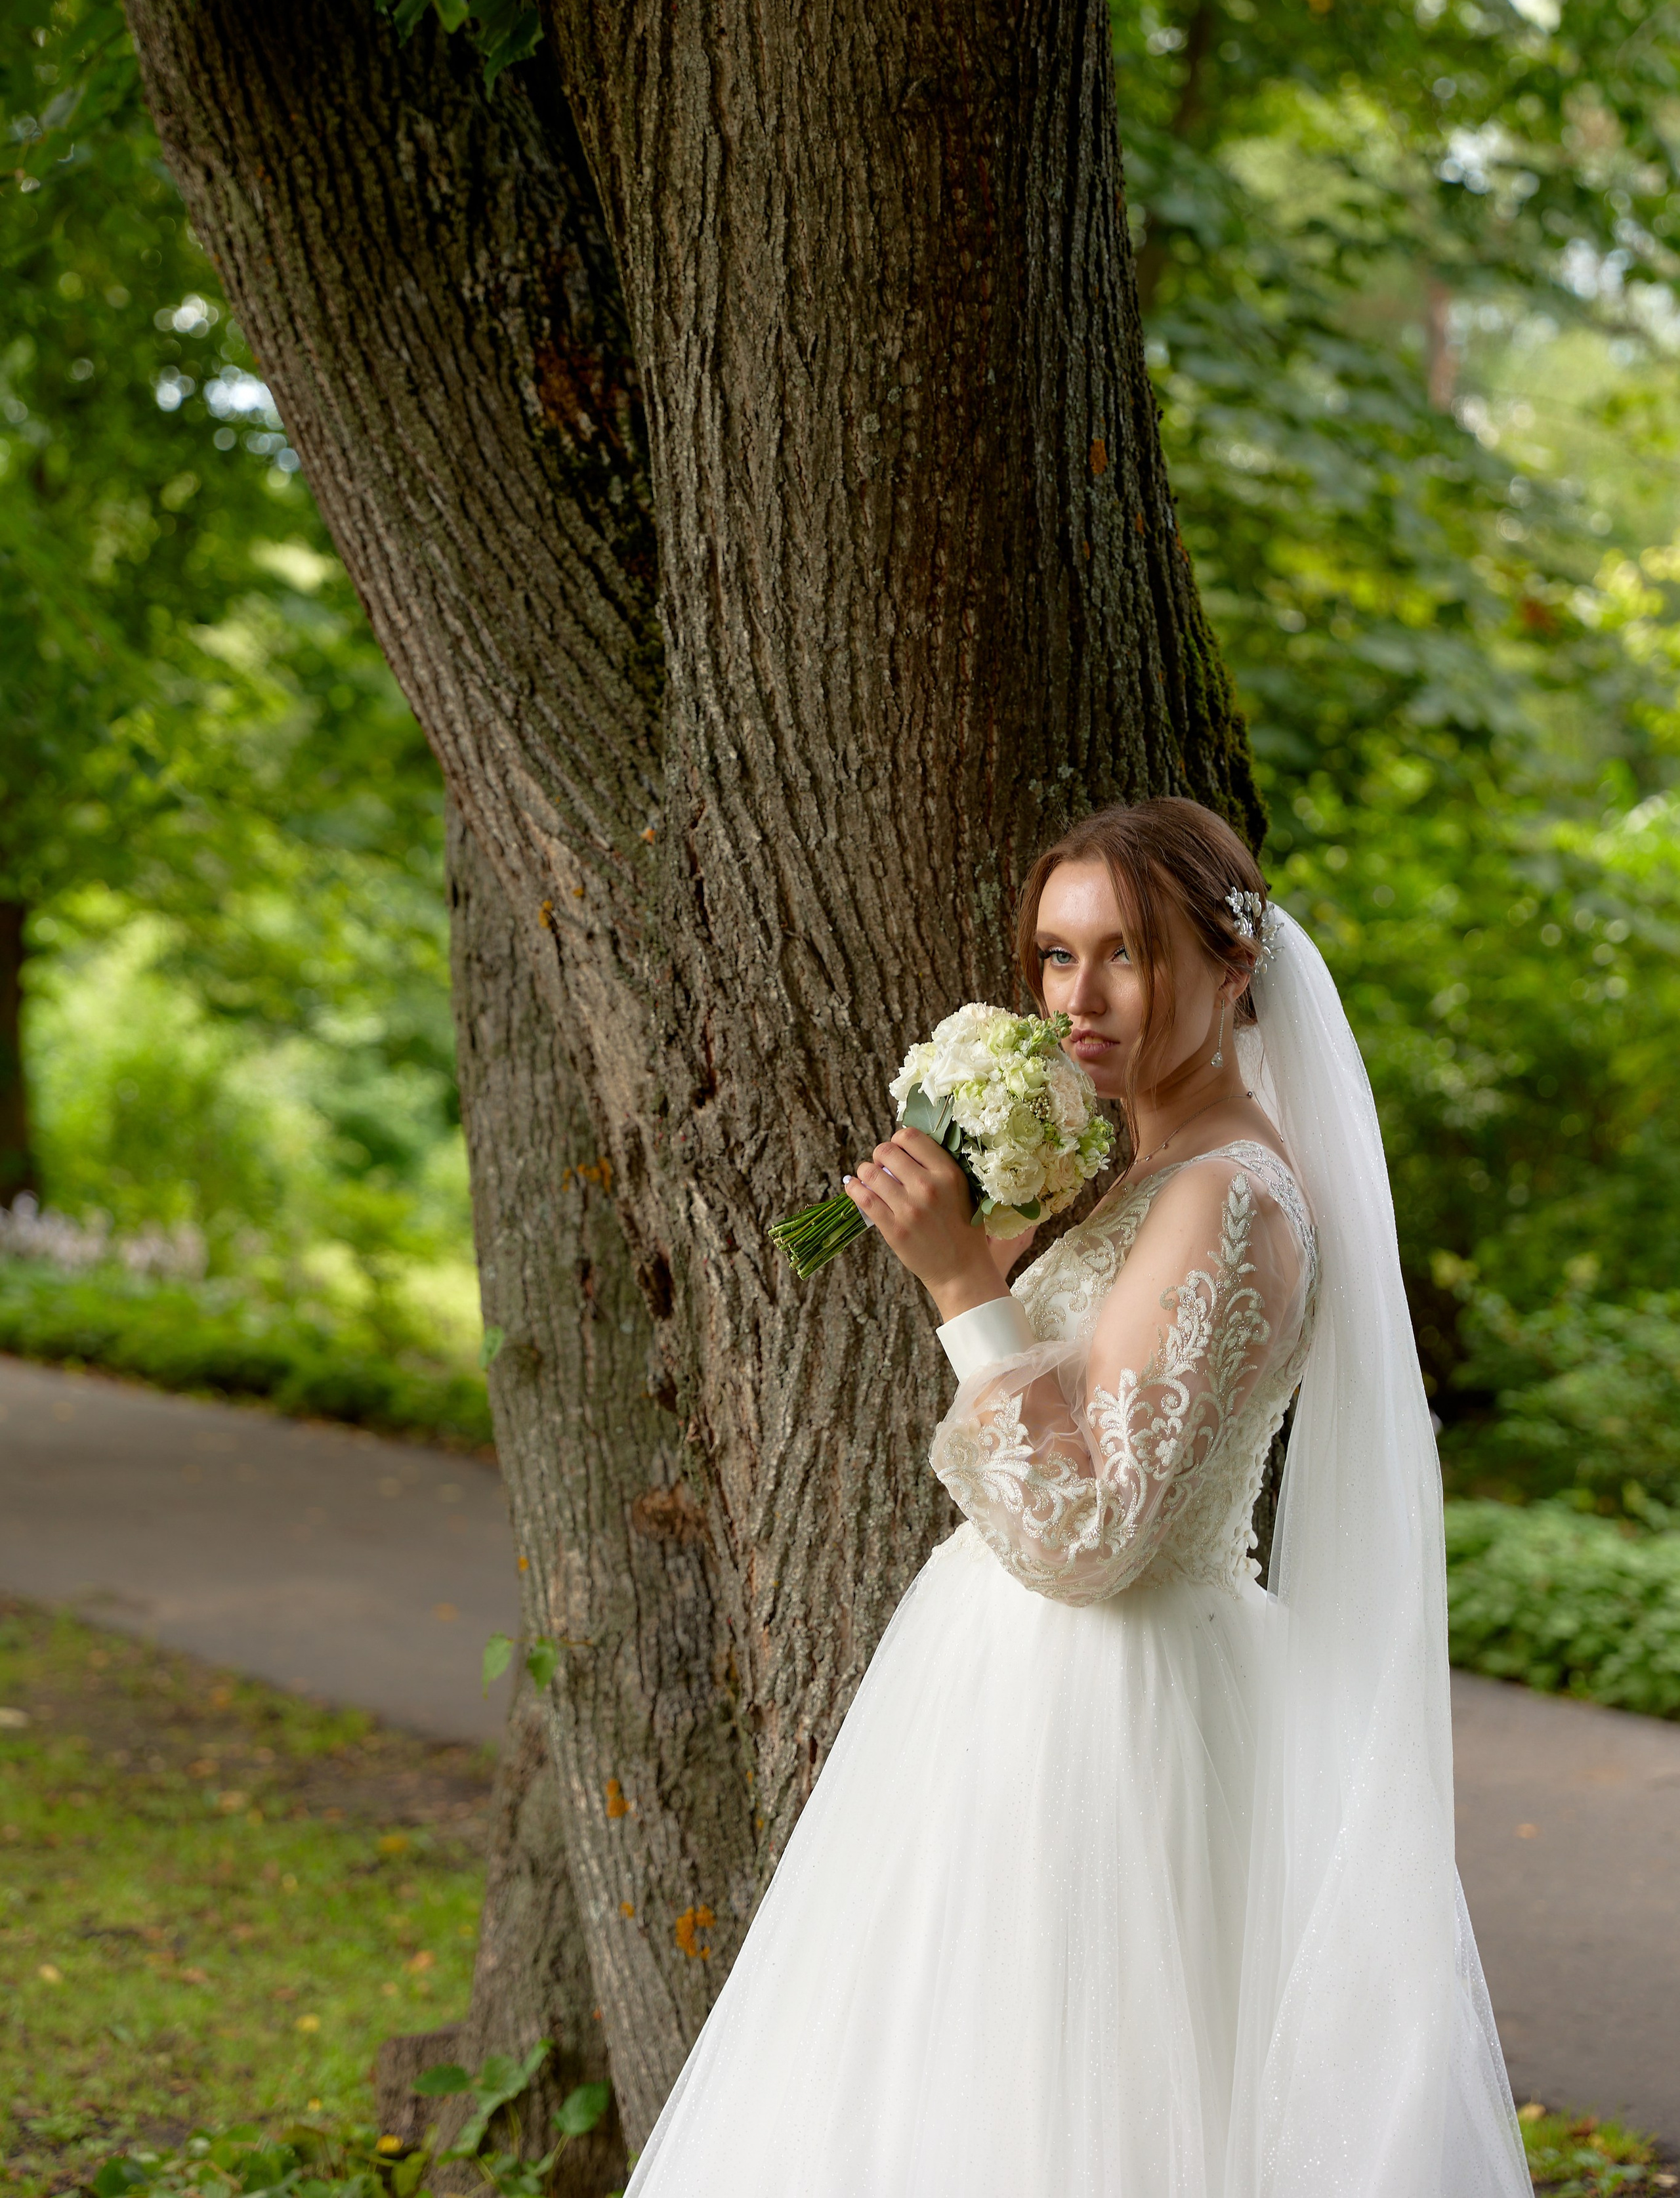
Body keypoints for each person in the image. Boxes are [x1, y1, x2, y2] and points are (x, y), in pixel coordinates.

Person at [625, 797, 1528, 2197]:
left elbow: (1091, 1534)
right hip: (1008, 1694)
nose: (1079, 997)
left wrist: (959, 1284)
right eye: (1053, 955)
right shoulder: (1143, 1176)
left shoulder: (1225, 1199)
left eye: (1127, 953)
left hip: (1116, 1712)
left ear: (1233, 969)